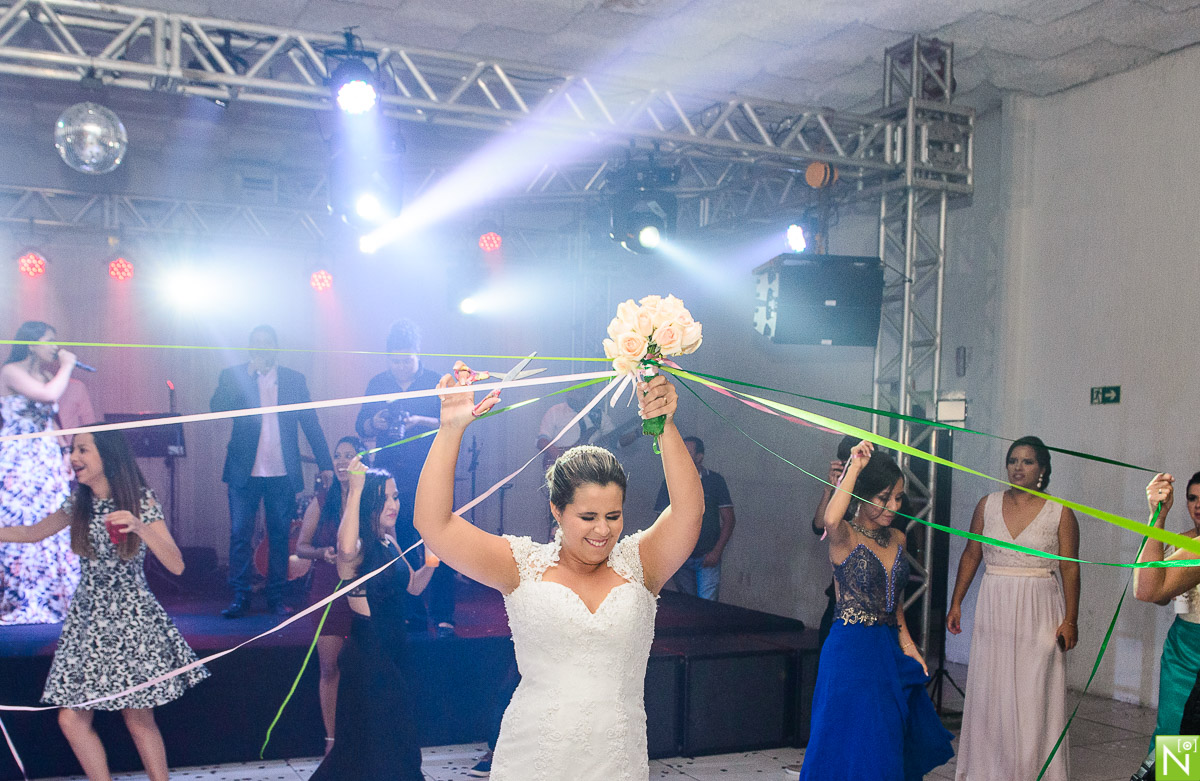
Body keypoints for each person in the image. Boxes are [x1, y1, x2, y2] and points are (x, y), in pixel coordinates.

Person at [414, 364, 703, 780]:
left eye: (613, 515)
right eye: (587, 516)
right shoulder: (522, 566)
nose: (603, 530)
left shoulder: (642, 566)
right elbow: (433, 524)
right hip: (534, 759)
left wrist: (665, 426)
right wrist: (451, 429)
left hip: (617, 762)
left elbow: (689, 512)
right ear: (557, 509)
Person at [0, 429, 208, 781]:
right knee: (71, 718)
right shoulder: (78, 503)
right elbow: (31, 532)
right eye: (72, 450)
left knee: (138, 716)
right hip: (87, 619)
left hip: (130, 616)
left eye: (82, 449)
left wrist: (140, 526)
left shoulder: (140, 499)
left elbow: (177, 565)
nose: (74, 458)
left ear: (107, 456)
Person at [798, 440, 953, 781]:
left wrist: (910, 647)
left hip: (886, 649)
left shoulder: (898, 537)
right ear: (863, 493)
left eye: (898, 497)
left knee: (887, 740)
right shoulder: (844, 536)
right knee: (851, 742)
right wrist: (853, 467)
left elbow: (895, 607)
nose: (893, 506)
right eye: (883, 497)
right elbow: (830, 516)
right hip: (850, 652)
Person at [946, 435, 1079, 781]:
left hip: (1040, 609)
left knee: (1034, 693)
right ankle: (989, 771)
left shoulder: (1060, 511)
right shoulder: (987, 504)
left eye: (1027, 461)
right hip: (996, 605)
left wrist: (1071, 619)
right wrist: (956, 602)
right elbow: (972, 554)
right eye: (1013, 460)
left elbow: (1070, 567)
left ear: (1043, 469)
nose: (1018, 467)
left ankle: (1033, 771)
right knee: (993, 691)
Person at [309, 455, 438, 781]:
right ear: (370, 502)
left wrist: (432, 565)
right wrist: (354, 491)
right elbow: (345, 550)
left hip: (394, 650)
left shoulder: (389, 542)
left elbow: (412, 586)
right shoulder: (360, 548)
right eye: (386, 498)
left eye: (395, 496)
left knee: (376, 742)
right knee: (391, 741)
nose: (394, 504)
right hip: (369, 655)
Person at [211, 325, 334, 618]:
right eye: (256, 344)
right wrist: (246, 377)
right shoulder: (234, 376)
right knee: (241, 533)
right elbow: (217, 408)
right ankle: (240, 596)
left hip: (281, 471)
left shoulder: (293, 380)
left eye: (267, 344)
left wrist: (326, 463)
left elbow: (310, 422)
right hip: (244, 470)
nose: (261, 349)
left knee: (279, 535)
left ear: (276, 348)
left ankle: (275, 597)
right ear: (250, 349)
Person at [354, 319, 452, 635]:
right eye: (394, 361)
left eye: (406, 360)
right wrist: (375, 423)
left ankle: (443, 613)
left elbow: (451, 421)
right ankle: (407, 612)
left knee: (437, 540)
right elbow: (361, 426)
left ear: (417, 354)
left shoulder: (436, 380)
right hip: (389, 478)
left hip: (428, 473)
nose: (400, 368)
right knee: (396, 544)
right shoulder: (378, 383)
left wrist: (417, 420)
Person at [0, 321, 80, 624]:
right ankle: (25, 598)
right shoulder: (11, 371)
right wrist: (68, 367)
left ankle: (55, 599)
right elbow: (46, 396)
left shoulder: (47, 374)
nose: (54, 347)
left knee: (54, 524)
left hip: (46, 458)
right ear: (31, 344)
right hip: (19, 459)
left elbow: (52, 419)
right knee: (24, 523)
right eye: (49, 341)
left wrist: (64, 452)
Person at [295, 435, 364, 754]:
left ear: (360, 461)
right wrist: (323, 553)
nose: (340, 461)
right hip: (328, 591)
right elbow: (301, 547)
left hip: (363, 590)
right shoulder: (322, 500)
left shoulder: (372, 497)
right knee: (329, 667)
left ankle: (364, 735)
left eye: (347, 455)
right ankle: (332, 741)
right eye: (337, 455)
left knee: (364, 667)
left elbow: (388, 538)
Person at [651, 436, 734, 600]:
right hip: (681, 559)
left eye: (687, 452)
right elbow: (660, 524)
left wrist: (717, 552)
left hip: (707, 557)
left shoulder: (715, 481)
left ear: (699, 456)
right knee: (689, 606)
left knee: (707, 609)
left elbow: (729, 520)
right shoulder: (669, 482)